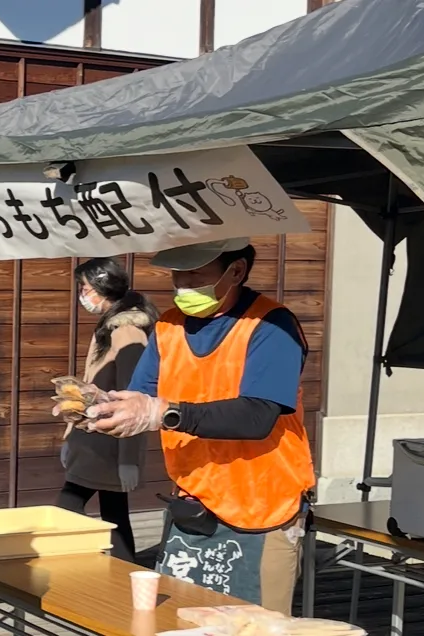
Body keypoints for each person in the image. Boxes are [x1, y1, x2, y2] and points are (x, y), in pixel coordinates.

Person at [87, 238, 315, 615]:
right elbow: (142, 396)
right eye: (178, 275)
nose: (182, 285)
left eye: (195, 275)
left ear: (236, 270)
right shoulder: (170, 325)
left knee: (256, 623)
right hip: (194, 500)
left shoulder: (273, 325)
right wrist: (103, 407)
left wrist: (165, 414)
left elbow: (257, 416)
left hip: (261, 505)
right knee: (184, 618)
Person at [57, 258, 158, 563]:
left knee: (66, 507)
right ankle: (125, 572)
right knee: (115, 514)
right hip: (95, 440)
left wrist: (129, 460)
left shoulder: (127, 333)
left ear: (102, 289)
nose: (83, 294)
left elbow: (135, 398)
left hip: (106, 444)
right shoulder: (110, 327)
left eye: (85, 288)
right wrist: (70, 434)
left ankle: (60, 566)